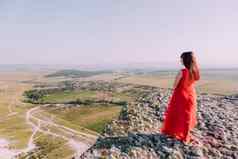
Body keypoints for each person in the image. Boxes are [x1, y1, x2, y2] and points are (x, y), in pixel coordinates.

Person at [160, 51, 200, 144]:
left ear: (185, 60)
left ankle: (174, 132)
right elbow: (194, 80)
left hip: (180, 95)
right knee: (188, 114)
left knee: (177, 113)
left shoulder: (182, 71)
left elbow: (175, 85)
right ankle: (186, 135)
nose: (180, 60)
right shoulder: (195, 71)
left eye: (181, 58)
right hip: (191, 94)